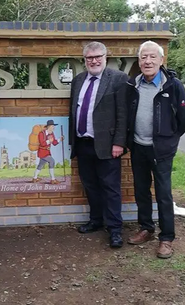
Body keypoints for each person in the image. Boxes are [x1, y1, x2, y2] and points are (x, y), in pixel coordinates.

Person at [126, 40, 185, 259]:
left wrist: (169, 141)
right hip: (138, 147)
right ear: (139, 61)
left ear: (161, 60)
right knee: (141, 190)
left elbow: (183, 120)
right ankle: (146, 228)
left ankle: (167, 238)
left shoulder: (172, 86)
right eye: (144, 57)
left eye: (153, 57)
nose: (148, 61)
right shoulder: (133, 84)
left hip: (161, 150)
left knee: (163, 193)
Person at [69, 41, 128, 248]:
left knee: (110, 188)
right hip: (83, 143)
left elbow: (123, 114)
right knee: (91, 186)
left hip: (108, 145)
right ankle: (96, 220)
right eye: (89, 58)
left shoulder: (119, 79)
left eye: (97, 57)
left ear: (106, 57)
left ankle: (114, 230)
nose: (93, 61)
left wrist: (119, 142)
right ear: (84, 60)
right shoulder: (78, 81)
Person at [32, 119, 64, 184]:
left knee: (40, 165)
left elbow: (54, 143)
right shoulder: (41, 133)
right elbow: (42, 143)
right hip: (42, 152)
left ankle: (35, 178)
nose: (53, 127)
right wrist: (49, 141)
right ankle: (53, 179)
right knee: (52, 161)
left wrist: (59, 139)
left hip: (47, 152)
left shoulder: (52, 133)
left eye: (53, 126)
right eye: (52, 126)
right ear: (48, 127)